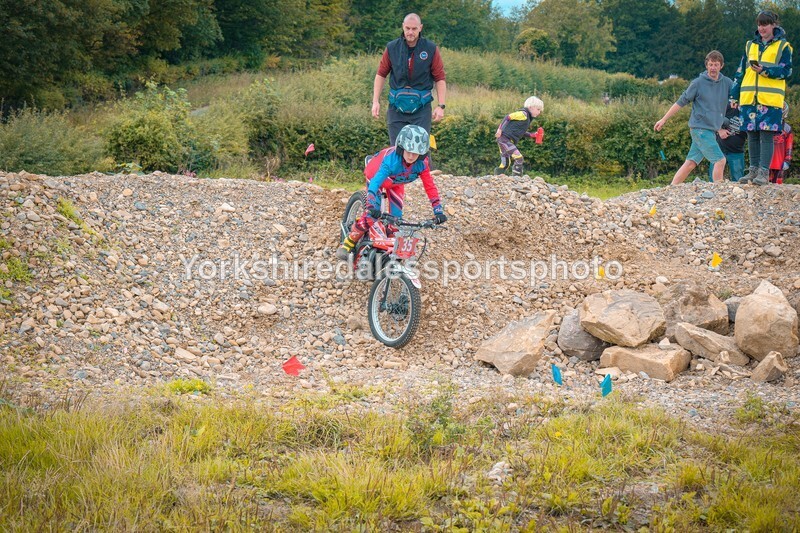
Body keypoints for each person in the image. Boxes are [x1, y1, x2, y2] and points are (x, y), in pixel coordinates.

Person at [336, 125, 446, 260]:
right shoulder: (391, 160)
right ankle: (349, 242)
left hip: (397, 182)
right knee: (371, 216)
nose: (411, 156)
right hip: (376, 177)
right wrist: (370, 205)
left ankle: (386, 250)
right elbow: (375, 183)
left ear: (422, 153)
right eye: (408, 151)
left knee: (397, 220)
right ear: (401, 148)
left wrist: (438, 211)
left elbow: (430, 187)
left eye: (416, 153)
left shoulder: (422, 164)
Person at [730, 10, 793, 186]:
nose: (761, 28)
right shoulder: (750, 45)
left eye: (765, 24)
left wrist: (765, 71)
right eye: (759, 24)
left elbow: (786, 71)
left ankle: (764, 172)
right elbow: (740, 71)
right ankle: (753, 170)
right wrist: (734, 95)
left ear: (774, 25)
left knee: (766, 136)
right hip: (749, 97)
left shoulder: (783, 46)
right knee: (751, 135)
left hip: (770, 99)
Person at [654, 50, 733, 184]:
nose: (713, 68)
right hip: (700, 129)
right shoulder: (698, 83)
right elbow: (681, 101)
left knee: (690, 163)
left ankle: (672, 188)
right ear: (706, 65)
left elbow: (739, 96)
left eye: (716, 65)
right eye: (711, 64)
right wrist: (664, 119)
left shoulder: (727, 83)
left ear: (721, 66)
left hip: (710, 130)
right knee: (720, 160)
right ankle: (719, 192)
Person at [372, 13, 447, 145]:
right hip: (396, 109)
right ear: (403, 27)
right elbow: (381, 74)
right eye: (407, 28)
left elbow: (440, 78)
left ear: (420, 28)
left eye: (414, 29)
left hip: (421, 110)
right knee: (396, 149)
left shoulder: (430, 49)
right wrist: (375, 101)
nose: (410, 32)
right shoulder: (392, 47)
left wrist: (441, 106)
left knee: (421, 150)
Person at [494, 96, 544, 176]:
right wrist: (499, 129)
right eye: (538, 109)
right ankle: (517, 178)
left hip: (505, 139)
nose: (539, 112)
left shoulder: (527, 118)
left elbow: (521, 132)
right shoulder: (523, 114)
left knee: (506, 163)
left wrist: (533, 135)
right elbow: (508, 117)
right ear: (531, 107)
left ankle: (496, 177)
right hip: (504, 139)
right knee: (519, 157)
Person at [707, 103, 747, 182]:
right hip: (719, 150)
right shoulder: (727, 104)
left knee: (738, 181)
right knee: (713, 181)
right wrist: (719, 130)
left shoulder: (748, 110)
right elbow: (711, 117)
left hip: (737, 151)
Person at [769, 103, 793, 184]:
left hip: (780, 164)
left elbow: (789, 146)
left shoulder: (787, 128)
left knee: (777, 188)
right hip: (766, 163)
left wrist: (787, 160)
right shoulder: (766, 125)